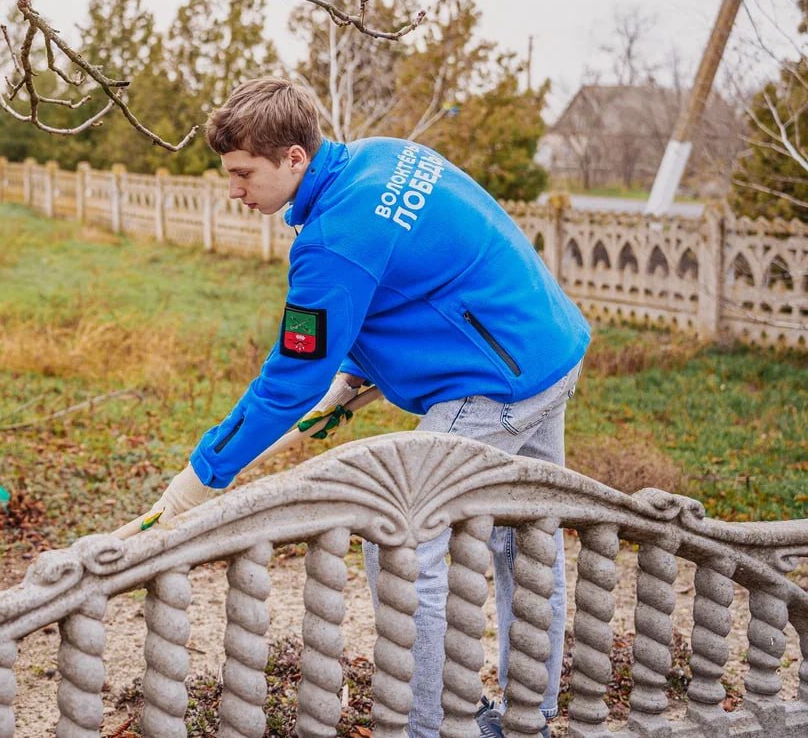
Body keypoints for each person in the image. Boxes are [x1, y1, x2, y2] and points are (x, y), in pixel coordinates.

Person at [121, 77, 588, 738]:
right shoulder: (380, 155)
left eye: (243, 173)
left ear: (293, 158)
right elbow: (407, 280)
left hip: (496, 383)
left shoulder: (333, 237)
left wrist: (202, 477)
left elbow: (288, 381)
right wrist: (353, 376)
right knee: (526, 536)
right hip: (548, 346)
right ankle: (528, 717)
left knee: (403, 538)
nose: (234, 190)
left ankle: (432, 726)